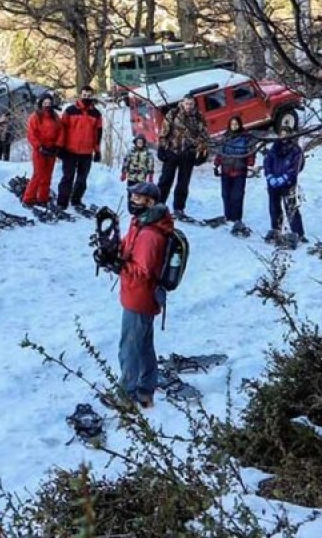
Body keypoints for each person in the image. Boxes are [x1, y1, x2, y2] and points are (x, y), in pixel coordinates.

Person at [116, 181, 174, 409]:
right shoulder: (141, 222)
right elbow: (128, 247)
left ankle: (126, 394)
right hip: (136, 294)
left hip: (140, 297)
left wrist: (119, 266)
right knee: (143, 346)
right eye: (132, 196)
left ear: (150, 202)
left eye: (137, 198)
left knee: (129, 348)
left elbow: (143, 271)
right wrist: (113, 250)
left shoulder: (150, 234)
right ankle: (146, 389)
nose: (132, 201)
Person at [156, 96, 209, 218]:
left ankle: (179, 209)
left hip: (188, 154)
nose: (189, 106)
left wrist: (203, 153)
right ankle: (158, 205)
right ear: (182, 103)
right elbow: (164, 131)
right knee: (165, 180)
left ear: (194, 104)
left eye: (191, 104)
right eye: (187, 104)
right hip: (172, 152)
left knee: (183, 183)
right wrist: (161, 147)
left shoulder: (198, 117)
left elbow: (204, 136)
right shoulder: (173, 113)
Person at [56, 85, 104, 210]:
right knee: (68, 177)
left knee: (82, 179)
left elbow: (98, 134)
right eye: (84, 95)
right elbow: (62, 130)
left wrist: (97, 151)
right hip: (70, 151)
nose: (86, 97)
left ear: (92, 96)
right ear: (80, 95)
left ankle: (76, 200)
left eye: (89, 96)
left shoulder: (96, 114)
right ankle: (62, 202)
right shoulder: (70, 111)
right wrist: (60, 147)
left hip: (86, 152)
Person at [213, 116, 257, 235]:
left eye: (236, 124)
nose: (234, 126)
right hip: (226, 169)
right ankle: (228, 216)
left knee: (237, 195)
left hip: (239, 170)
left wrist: (250, 163)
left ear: (240, 125)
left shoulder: (246, 137)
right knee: (225, 194)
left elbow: (251, 152)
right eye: (232, 124)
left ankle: (237, 218)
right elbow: (220, 152)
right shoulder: (225, 137)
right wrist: (216, 164)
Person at [263, 127, 306, 247]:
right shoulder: (274, 147)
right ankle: (276, 229)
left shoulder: (296, 150)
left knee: (291, 208)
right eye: (281, 134)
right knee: (274, 207)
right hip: (273, 183)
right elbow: (267, 163)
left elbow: (295, 167)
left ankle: (298, 233)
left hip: (288, 183)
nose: (283, 136)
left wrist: (284, 178)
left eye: (286, 134)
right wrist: (270, 176)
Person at [23, 93, 64, 206]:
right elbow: (31, 134)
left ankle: (43, 198)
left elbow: (61, 131)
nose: (47, 105)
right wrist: (39, 146)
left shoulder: (55, 117)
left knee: (47, 175)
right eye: (45, 103)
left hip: (52, 150)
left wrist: (57, 145)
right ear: (41, 104)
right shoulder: (35, 117)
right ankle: (28, 198)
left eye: (49, 103)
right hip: (40, 151)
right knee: (38, 175)